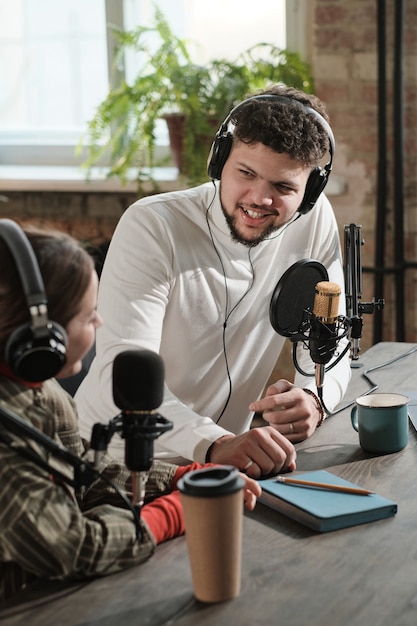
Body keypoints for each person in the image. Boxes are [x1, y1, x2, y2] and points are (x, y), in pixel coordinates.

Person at [75, 84, 351, 478]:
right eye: (246, 173)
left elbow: (330, 329)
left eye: (283, 187)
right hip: (118, 461)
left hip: (224, 462)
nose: (259, 198)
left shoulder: (313, 218)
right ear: (220, 159)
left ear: (310, 193)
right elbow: (121, 376)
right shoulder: (152, 226)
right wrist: (213, 442)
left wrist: (315, 397)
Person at [0, 221, 260, 603]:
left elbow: (81, 473)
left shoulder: (42, 390)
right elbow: (74, 547)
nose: (100, 322)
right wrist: (173, 514)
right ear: (42, 338)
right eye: (89, 316)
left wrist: (178, 479)